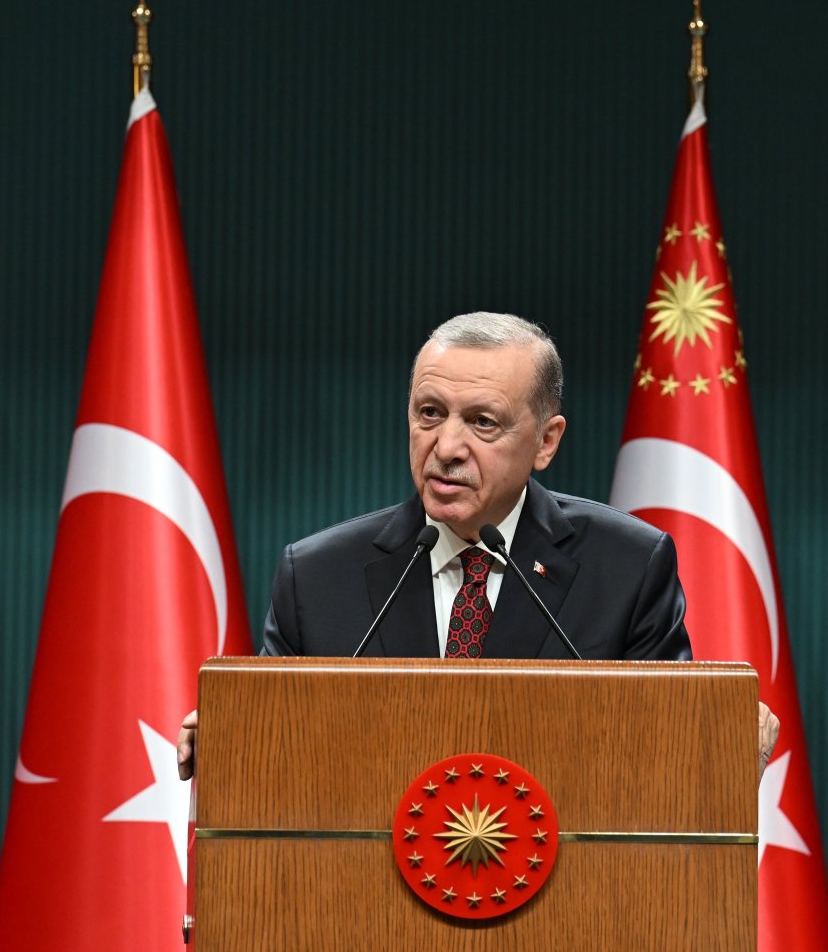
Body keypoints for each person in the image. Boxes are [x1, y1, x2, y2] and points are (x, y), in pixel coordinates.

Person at [178, 312, 778, 778]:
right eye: (430, 413)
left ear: (546, 441)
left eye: (482, 422)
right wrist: (236, 736)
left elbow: (669, 753)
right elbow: (275, 745)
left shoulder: (625, 568)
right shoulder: (317, 578)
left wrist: (716, 742)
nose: (446, 446)